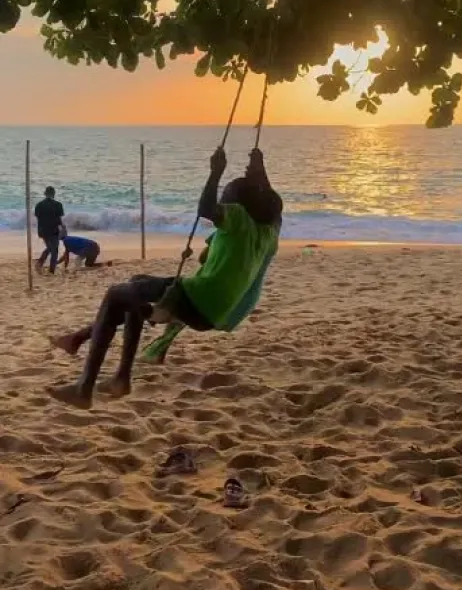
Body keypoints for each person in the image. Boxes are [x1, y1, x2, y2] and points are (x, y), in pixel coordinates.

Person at [48, 148, 282, 410]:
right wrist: (259, 169)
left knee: (115, 293)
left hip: (197, 298)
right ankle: (114, 373)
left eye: (227, 196)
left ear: (240, 206)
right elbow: (270, 204)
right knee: (134, 287)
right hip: (214, 310)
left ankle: (84, 387)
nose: (224, 201)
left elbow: (206, 208)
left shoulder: (238, 219)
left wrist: (215, 172)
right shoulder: (270, 232)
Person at [35, 186, 64, 274]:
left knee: (50, 248)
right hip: (53, 230)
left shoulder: (39, 205)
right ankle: (51, 270)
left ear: (45, 194)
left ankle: (39, 263)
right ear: (54, 194)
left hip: (42, 230)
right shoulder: (58, 205)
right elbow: (59, 220)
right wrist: (63, 227)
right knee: (54, 250)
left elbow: (38, 217)